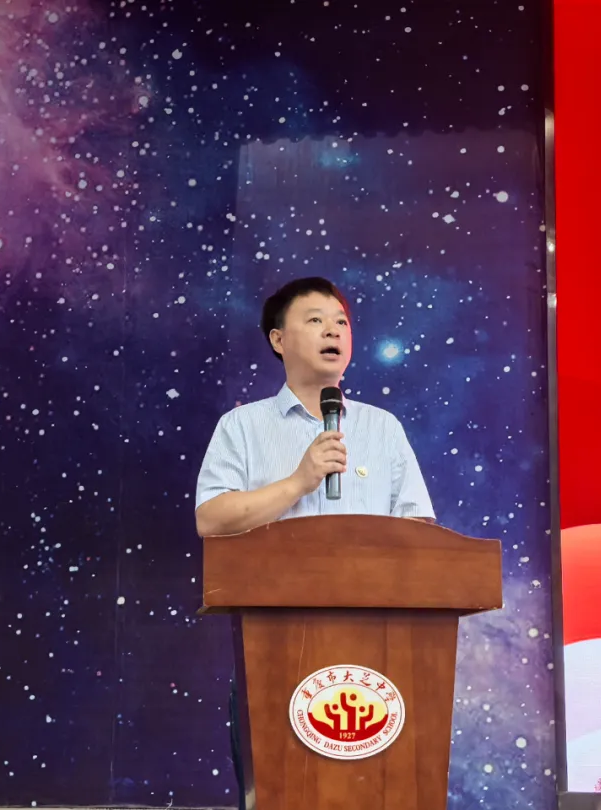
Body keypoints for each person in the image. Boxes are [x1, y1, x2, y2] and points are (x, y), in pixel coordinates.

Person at [194, 277, 435, 809]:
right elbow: (211, 519)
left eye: (341, 322)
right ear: (279, 340)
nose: (333, 331)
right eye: (316, 320)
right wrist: (298, 482)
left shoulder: (383, 428)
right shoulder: (243, 426)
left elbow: (419, 530)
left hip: (379, 644)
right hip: (273, 640)